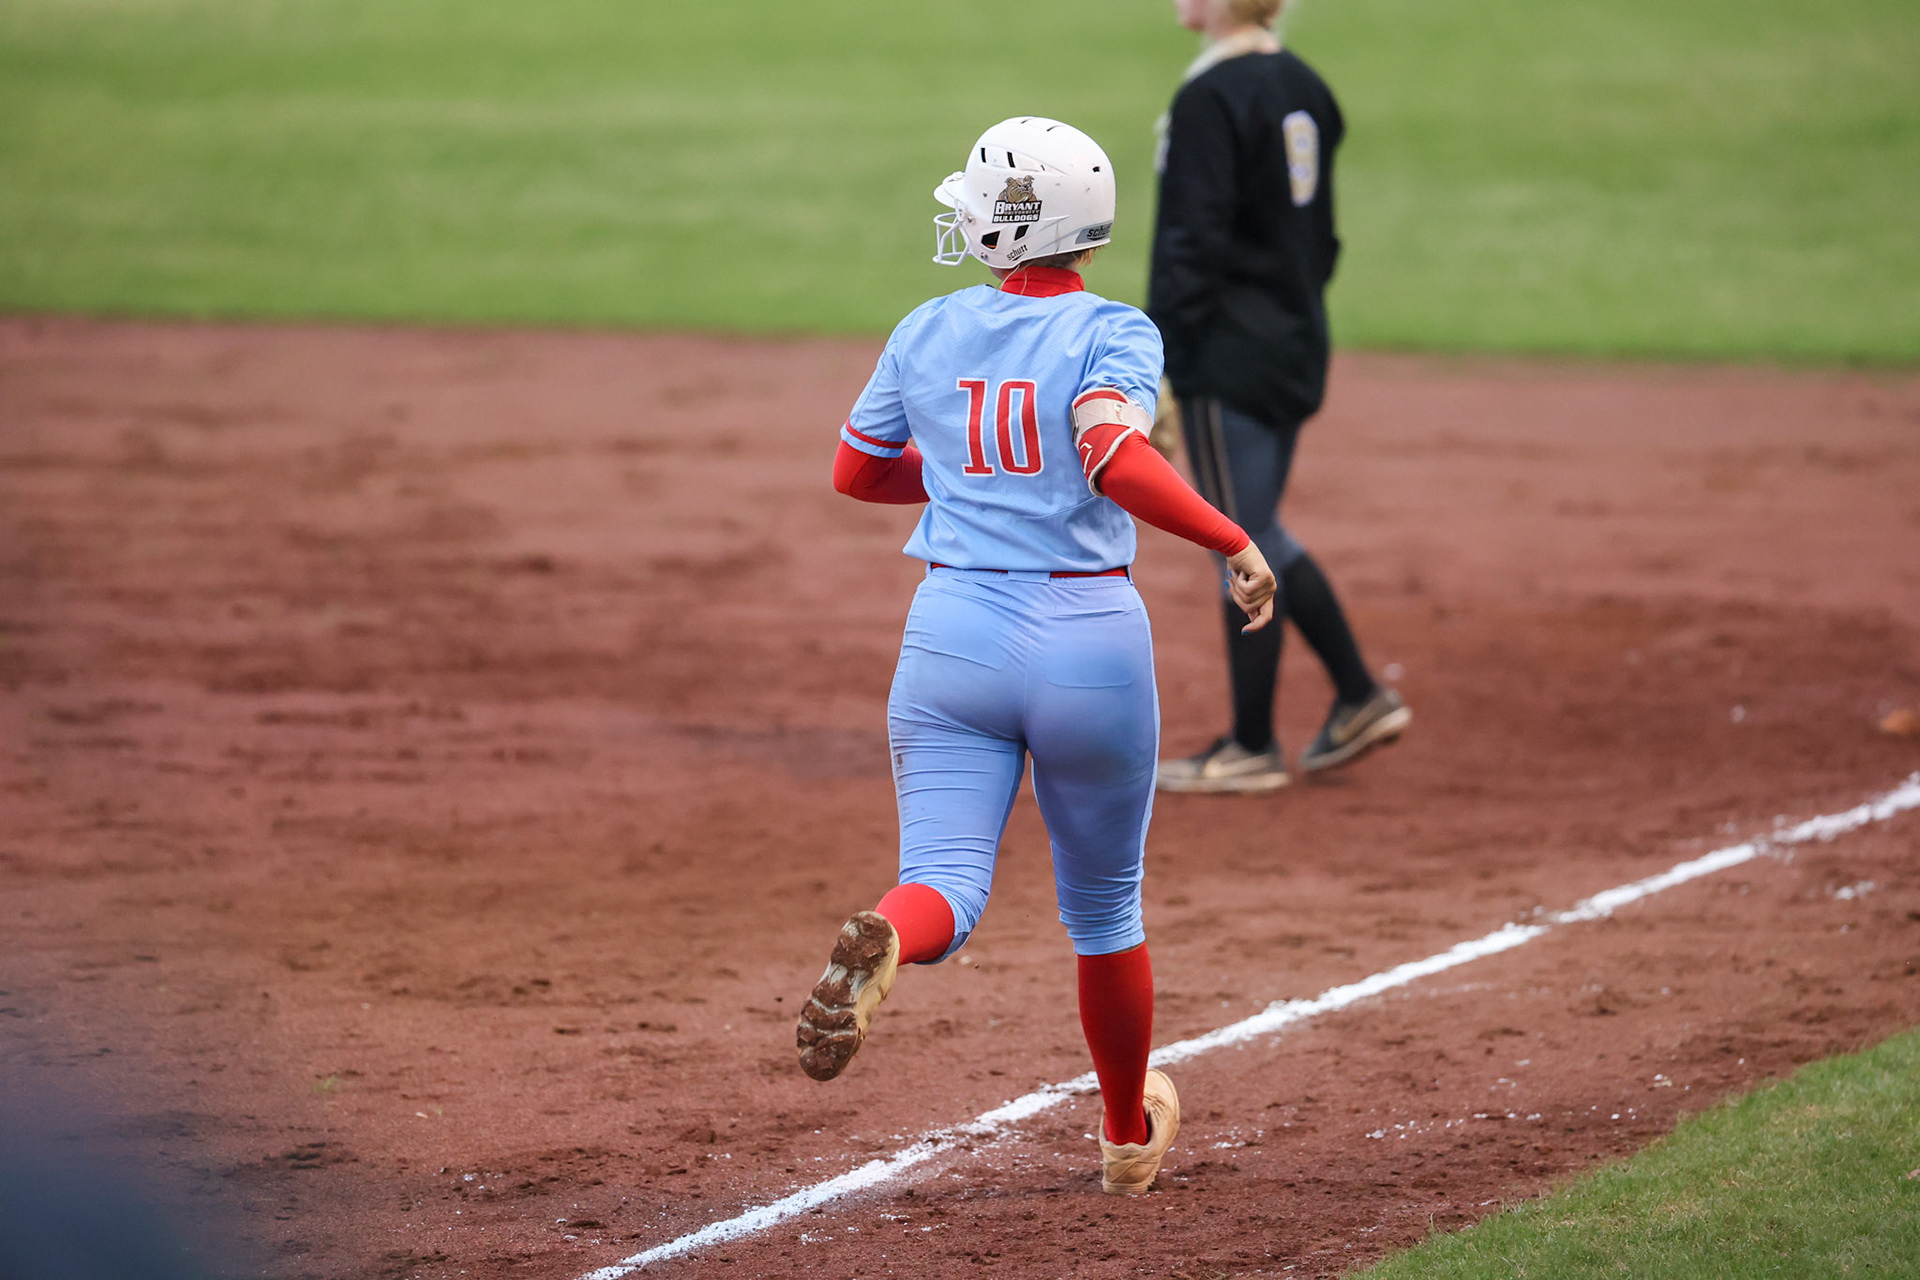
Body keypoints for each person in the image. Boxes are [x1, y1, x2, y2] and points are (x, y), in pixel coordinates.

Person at [795, 116, 1276, 1195]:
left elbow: (857, 472)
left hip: (951, 633)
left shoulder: (926, 326)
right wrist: (1231, 539)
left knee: (943, 882)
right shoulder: (1115, 329)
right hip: (1084, 643)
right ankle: (1119, 1135)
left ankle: (892, 936)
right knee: (1104, 911)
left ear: (1012, 224)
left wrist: (973, 476)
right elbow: (1112, 455)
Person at [1148, 0, 1410, 794]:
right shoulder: (1304, 83)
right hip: (1294, 336)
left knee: (1239, 535)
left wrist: (1157, 361)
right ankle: (1359, 694)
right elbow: (1321, 237)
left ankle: (1252, 744)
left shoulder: (1210, 96)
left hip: (1228, 348)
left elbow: (1190, 242)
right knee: (1256, 526)